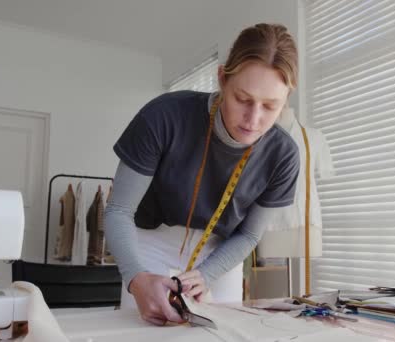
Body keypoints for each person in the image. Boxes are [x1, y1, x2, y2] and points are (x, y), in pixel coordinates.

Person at [104, 23, 300, 326]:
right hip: (150, 239)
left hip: (222, 251)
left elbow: (249, 234)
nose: (253, 119)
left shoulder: (283, 155)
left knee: (222, 332)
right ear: (222, 78)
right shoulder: (164, 116)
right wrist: (135, 277)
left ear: (285, 100)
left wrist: (208, 274)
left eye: (270, 106)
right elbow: (119, 210)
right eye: (242, 99)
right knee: (146, 331)